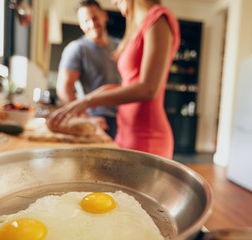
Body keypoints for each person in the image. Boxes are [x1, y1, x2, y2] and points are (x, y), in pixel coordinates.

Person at [48, 0, 180, 159]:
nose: (113, 1)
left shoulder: (158, 18)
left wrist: (88, 100)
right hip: (125, 131)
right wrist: (82, 104)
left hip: (146, 136)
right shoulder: (136, 26)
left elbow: (148, 89)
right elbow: (128, 84)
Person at [56, 0, 121, 139]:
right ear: (80, 24)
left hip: (124, 118)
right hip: (97, 119)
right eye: (86, 21)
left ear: (104, 16)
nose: (92, 24)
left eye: (95, 18)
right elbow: (63, 88)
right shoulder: (77, 49)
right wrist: (85, 118)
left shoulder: (120, 46)